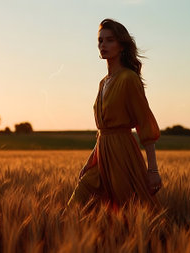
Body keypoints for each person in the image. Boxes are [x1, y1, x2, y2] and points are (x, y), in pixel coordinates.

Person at [66, 18, 162, 211]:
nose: (103, 45)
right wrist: (89, 162)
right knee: (76, 206)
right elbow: (103, 131)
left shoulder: (129, 79)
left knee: (128, 210)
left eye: (110, 40)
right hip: (102, 154)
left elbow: (145, 123)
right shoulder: (103, 82)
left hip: (122, 154)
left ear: (121, 45)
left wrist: (152, 170)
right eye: (100, 41)